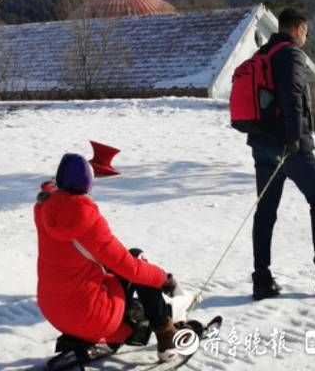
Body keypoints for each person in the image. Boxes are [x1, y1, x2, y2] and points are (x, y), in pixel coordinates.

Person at [34, 150, 200, 359]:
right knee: (137, 261)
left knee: (114, 269)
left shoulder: (44, 210)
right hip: (88, 315)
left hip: (53, 310)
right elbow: (131, 268)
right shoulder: (87, 221)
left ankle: (147, 324)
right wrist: (163, 278)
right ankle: (167, 337)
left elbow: (51, 190)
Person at [249, 6, 315, 300]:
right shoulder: (292, 53)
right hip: (290, 145)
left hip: (261, 144)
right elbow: (292, 95)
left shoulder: (261, 54)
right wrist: (295, 138)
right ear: (297, 29)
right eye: (305, 30)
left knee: (265, 211)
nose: (305, 35)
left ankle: (262, 279)